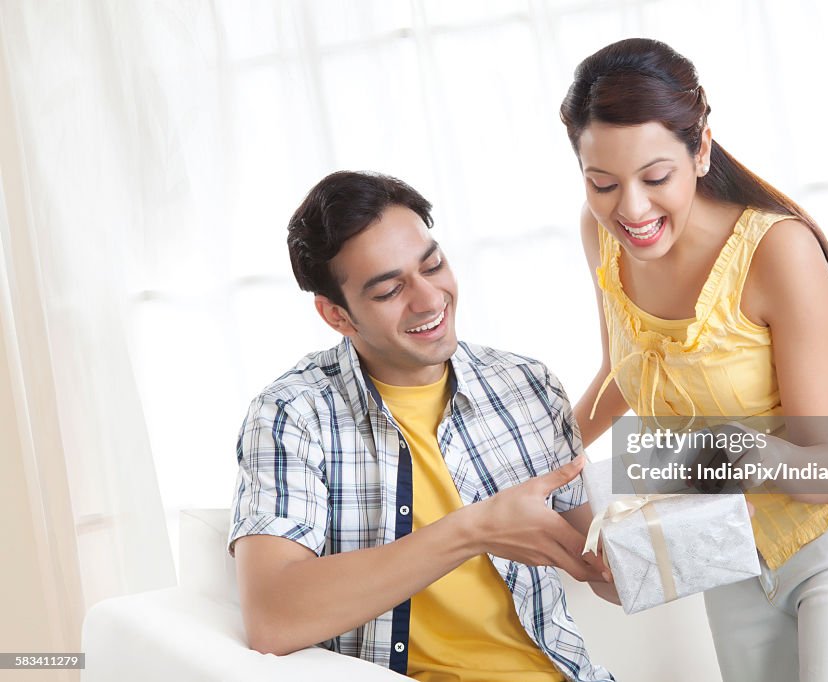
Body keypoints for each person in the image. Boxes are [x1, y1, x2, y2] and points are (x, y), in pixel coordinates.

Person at [560, 38, 828, 682]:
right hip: (733, 548)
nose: (632, 210)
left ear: (700, 148)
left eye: (656, 178)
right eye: (602, 183)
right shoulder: (603, 236)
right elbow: (621, 375)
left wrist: (718, 454)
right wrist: (542, 464)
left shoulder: (777, 252)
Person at [228, 171, 616, 681]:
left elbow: (603, 571)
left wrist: (710, 493)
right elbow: (273, 619)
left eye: (433, 265)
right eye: (390, 290)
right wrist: (472, 530)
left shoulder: (526, 384)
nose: (430, 299)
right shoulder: (294, 415)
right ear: (337, 316)